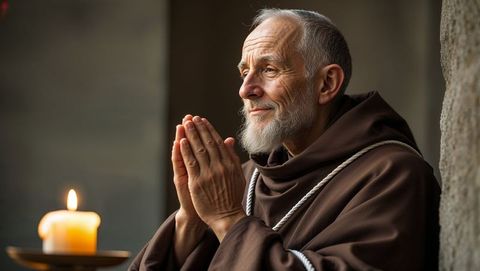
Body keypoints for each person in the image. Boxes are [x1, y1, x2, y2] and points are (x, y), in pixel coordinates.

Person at [129, 8, 439, 271]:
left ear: (327, 84)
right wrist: (192, 219)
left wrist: (227, 219)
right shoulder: (245, 177)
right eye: (244, 72)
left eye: (268, 69)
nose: (246, 89)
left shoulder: (394, 174)